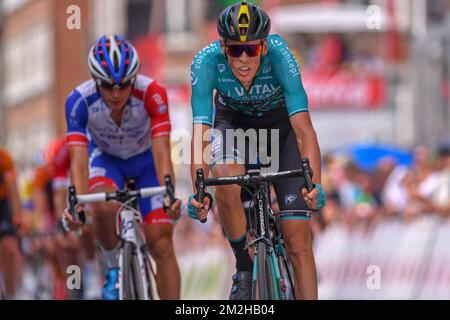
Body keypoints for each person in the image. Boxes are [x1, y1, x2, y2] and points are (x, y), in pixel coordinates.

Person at [188, 2, 326, 300]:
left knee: (297, 239)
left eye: (251, 48)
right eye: (235, 50)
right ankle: (244, 266)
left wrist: (315, 183)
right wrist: (199, 190)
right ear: (222, 47)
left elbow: (304, 130)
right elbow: (200, 134)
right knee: (224, 178)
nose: (243, 58)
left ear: (263, 46)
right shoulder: (205, 63)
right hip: (234, 127)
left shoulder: (281, 57)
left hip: (281, 132)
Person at [63, 34, 181, 300]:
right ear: (95, 80)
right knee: (102, 206)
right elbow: (79, 160)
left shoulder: (152, 93)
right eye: (107, 85)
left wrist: (169, 194)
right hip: (107, 161)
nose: (116, 93)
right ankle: (114, 266)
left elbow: (162, 149)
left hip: (146, 163)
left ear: (134, 79)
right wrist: (77, 205)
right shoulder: (78, 101)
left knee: (161, 242)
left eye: (123, 84)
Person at [0, 148, 23, 299]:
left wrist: (18, 216)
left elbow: (13, 188)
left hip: (3, 204)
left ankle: (10, 295)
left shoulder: (4, 158)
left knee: (9, 247)